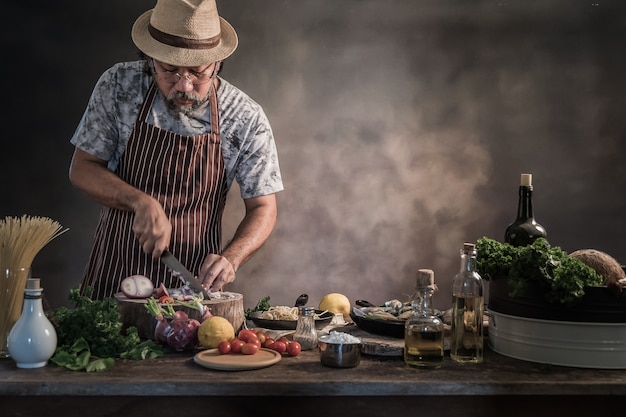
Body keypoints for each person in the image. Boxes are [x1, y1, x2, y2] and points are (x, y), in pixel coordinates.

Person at [68, 0, 283, 299]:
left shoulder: (245, 117)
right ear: (150, 58)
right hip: (113, 280)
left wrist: (232, 257)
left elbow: (263, 207)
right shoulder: (120, 86)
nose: (183, 85)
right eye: (169, 70)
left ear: (218, 63)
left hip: (190, 290)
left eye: (198, 72)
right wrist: (140, 202)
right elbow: (82, 169)